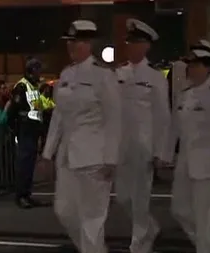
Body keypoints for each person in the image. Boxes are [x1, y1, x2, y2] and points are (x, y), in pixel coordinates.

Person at [42, 20, 122, 253]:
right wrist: (48, 152)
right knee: (64, 211)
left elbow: (114, 118)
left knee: (92, 220)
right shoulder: (66, 74)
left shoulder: (103, 75)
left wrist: (111, 158)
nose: (70, 47)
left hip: (94, 156)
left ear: (87, 44)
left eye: (75, 42)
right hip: (67, 156)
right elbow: (59, 116)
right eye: (69, 42)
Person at [167, 44, 210, 253]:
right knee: (179, 210)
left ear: (207, 68)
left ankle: (205, 246)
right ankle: (207, 243)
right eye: (190, 65)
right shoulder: (185, 94)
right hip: (186, 162)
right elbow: (175, 128)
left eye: (196, 65)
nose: (191, 69)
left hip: (209, 164)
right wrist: (167, 154)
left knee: (204, 218)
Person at [115, 18, 171, 253]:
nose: (131, 46)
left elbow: (163, 117)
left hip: (143, 146)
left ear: (146, 46)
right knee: (123, 197)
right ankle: (149, 227)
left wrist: (162, 152)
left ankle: (138, 243)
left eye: (136, 42)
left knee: (139, 198)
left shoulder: (155, 77)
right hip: (120, 145)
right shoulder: (117, 74)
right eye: (129, 41)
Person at [9, 57, 45, 208]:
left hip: (33, 129)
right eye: (38, 70)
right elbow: (14, 110)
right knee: (24, 164)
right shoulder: (22, 87)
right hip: (24, 130)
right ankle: (21, 196)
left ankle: (27, 194)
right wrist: (15, 129)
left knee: (30, 164)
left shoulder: (34, 86)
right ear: (32, 70)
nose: (40, 73)